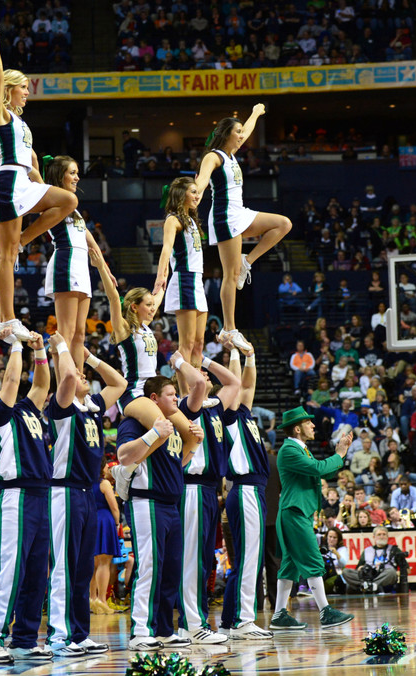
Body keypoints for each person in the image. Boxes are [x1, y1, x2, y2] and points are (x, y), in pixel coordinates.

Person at [0, 27, 76, 343]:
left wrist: (42, 189)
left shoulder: (21, 122)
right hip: (8, 182)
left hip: (24, 182)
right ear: (9, 89)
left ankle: (24, 240)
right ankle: (7, 320)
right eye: (23, 87)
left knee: (68, 201)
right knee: (5, 258)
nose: (27, 91)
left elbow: (35, 165)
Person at [0, 328, 52, 664]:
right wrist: (16, 345)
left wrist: (41, 350)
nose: (2, 388)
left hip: (41, 495)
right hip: (16, 495)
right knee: (12, 569)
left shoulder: (26, 410)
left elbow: (42, 385)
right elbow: (13, 382)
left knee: (36, 571)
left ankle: (25, 639)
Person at [42, 338, 127, 656]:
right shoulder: (62, 409)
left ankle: (79, 635)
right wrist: (62, 348)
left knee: (82, 568)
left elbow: (119, 382)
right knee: (64, 566)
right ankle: (58, 636)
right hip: (64, 491)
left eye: (83, 373)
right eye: (78, 373)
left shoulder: (91, 409)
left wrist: (89, 358)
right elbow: (64, 377)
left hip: (86, 494)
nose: (81, 375)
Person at [97, 253, 198, 495]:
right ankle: (125, 470)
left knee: (193, 436)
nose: (154, 309)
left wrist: (164, 276)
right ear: (134, 306)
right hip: (133, 392)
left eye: (154, 305)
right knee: (163, 427)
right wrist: (101, 264)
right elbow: (113, 297)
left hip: (153, 391)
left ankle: (173, 471)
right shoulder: (124, 329)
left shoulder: (146, 327)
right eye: (149, 305)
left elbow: (159, 291)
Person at [116, 375, 204, 651]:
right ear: (153, 399)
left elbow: (176, 464)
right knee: (150, 568)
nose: (176, 399)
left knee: (170, 570)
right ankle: (140, 630)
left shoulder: (174, 431)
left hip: (170, 504)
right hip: (147, 502)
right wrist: (154, 433)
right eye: (170, 394)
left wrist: (194, 445)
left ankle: (165, 630)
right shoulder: (134, 423)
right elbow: (124, 455)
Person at [194, 104, 291, 350]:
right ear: (226, 134)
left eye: (240, 132)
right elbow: (202, 179)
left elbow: (247, 131)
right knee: (231, 275)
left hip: (240, 213)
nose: (241, 136)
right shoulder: (213, 156)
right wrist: (196, 194)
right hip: (225, 217)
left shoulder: (231, 154)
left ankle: (248, 260)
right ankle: (230, 328)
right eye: (236, 132)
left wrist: (256, 113)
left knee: (283, 224)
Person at [175, 341, 239, 644]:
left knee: (203, 560)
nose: (205, 375)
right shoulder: (189, 405)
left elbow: (234, 382)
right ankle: (191, 623)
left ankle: (194, 621)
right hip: (191, 487)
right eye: (198, 372)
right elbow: (199, 382)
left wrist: (206, 359)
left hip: (208, 491)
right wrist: (180, 361)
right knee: (192, 559)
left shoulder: (213, 408)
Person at [270, 406, 354, 630]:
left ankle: (279, 615)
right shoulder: (289, 450)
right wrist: (339, 455)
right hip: (294, 512)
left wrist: (341, 453)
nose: (313, 425)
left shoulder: (301, 448)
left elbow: (323, 472)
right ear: (297, 428)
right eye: (309, 422)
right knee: (313, 560)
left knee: (289, 566)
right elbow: (318, 468)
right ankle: (325, 611)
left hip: (298, 512)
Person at [218, 339, 274, 639]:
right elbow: (237, 383)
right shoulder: (226, 415)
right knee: (250, 557)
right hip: (245, 487)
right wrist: (235, 348)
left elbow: (248, 386)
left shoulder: (244, 414)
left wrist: (249, 354)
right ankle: (243, 621)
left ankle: (229, 620)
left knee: (246, 558)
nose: (241, 392)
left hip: (252, 491)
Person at [40, 155, 108, 379]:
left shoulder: (73, 206)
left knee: (80, 334)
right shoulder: (51, 199)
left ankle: (78, 384)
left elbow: (86, 235)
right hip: (66, 261)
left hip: (81, 266)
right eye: (72, 172)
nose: (77, 177)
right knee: (66, 333)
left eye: (77, 172)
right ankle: (63, 385)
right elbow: (37, 182)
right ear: (60, 176)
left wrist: (104, 268)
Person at [154, 177, 208, 393]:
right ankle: (185, 392)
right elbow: (166, 249)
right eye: (192, 192)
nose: (197, 196)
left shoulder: (191, 218)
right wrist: (161, 275)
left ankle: (198, 390)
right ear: (180, 195)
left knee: (199, 343)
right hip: (185, 278)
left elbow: (202, 186)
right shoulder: (173, 219)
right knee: (185, 344)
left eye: (197, 192)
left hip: (197, 280)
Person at [91, 465, 122, 615]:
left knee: (93, 564)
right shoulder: (104, 483)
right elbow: (114, 507)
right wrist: (117, 523)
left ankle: (91, 598)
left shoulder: (85, 482)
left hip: (90, 519)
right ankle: (102, 600)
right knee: (104, 562)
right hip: (104, 520)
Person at [342, 526, 404, 594]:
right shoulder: (367, 550)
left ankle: (370, 585)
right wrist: (361, 568)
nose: (382, 536)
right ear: (374, 537)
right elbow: (358, 568)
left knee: (392, 572)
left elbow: (406, 569)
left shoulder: (395, 550)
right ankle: (370, 585)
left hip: (384, 575)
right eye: (379, 534)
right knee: (346, 572)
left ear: (387, 536)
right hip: (368, 575)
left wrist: (396, 573)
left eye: (384, 534)